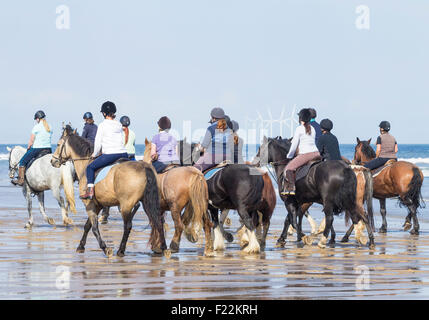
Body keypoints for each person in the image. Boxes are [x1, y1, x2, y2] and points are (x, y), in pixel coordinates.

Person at [80, 101, 128, 200]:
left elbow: (98, 143)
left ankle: (90, 191)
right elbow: (122, 139)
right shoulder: (119, 124)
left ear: (104, 113)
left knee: (90, 168)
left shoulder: (102, 125)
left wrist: (94, 154)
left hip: (111, 155)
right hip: (124, 153)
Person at [281, 108, 321, 195]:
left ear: (301, 118)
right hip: (317, 153)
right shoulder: (313, 129)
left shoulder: (299, 129)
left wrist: (289, 156)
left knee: (288, 169)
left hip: (306, 154)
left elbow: (294, 145)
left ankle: (291, 188)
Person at [12, 110, 53, 186]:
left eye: (36, 119)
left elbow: (31, 141)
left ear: (38, 119)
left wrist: (28, 148)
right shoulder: (50, 126)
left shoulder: (36, 127)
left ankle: (20, 180)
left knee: (22, 161)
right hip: (48, 149)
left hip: (37, 149)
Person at [194, 107, 233, 172]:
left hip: (213, 156)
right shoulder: (229, 129)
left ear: (213, 118)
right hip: (228, 156)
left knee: (194, 170)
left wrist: (199, 149)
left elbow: (204, 145)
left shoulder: (211, 128)